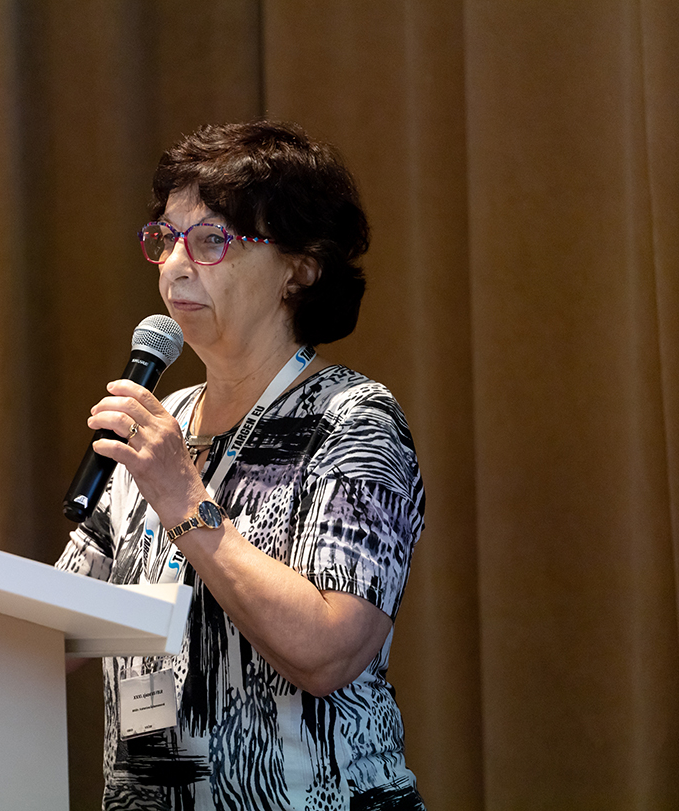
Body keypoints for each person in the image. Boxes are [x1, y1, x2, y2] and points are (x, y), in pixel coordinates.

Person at [55, 120, 426, 810]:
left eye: (210, 241)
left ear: (299, 268)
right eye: (165, 239)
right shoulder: (162, 423)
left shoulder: (352, 421)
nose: (174, 265)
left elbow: (328, 653)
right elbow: (63, 632)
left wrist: (183, 499)